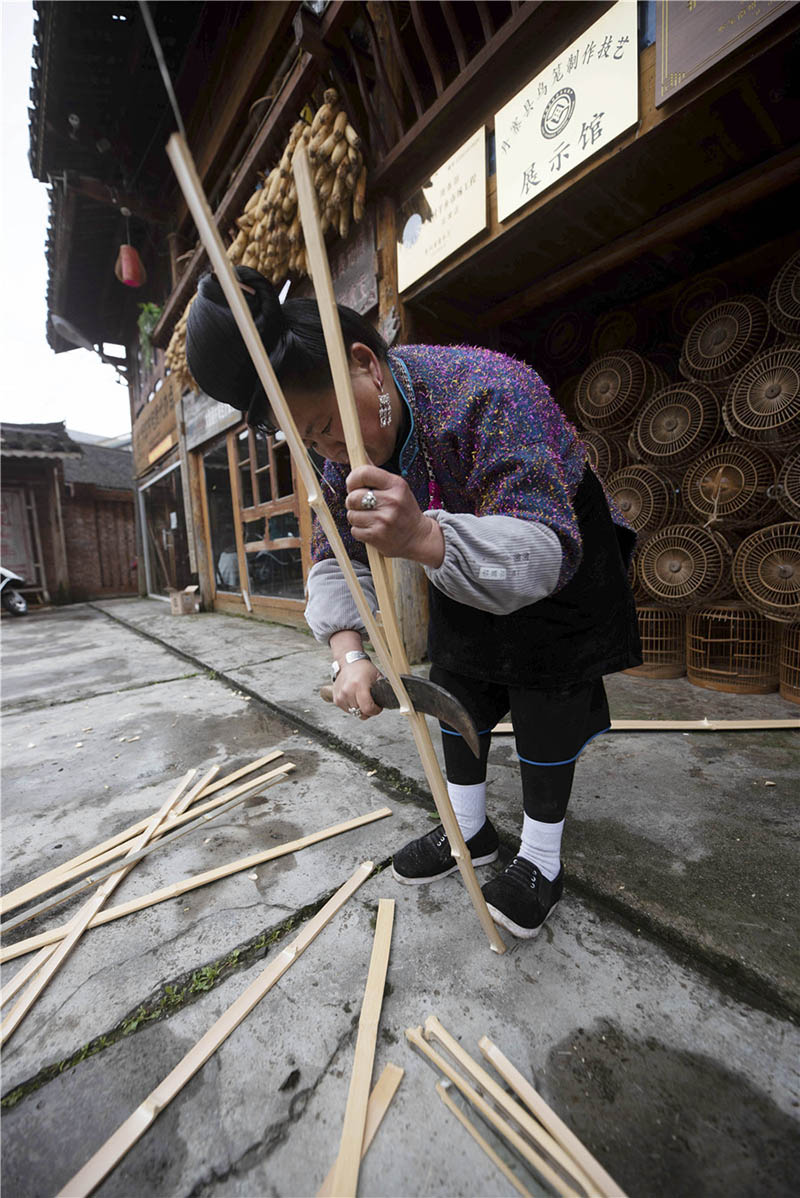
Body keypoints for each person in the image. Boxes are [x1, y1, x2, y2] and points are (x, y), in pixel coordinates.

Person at [186, 267, 642, 940]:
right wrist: (349, 656)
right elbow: (330, 553)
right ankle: (469, 831)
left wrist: (424, 533)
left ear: (365, 365)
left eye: (327, 427)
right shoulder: (339, 456)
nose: (330, 452)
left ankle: (542, 863)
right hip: (452, 555)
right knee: (458, 679)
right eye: (310, 441)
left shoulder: (488, 392)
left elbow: (544, 547)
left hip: (553, 552)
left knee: (549, 693)